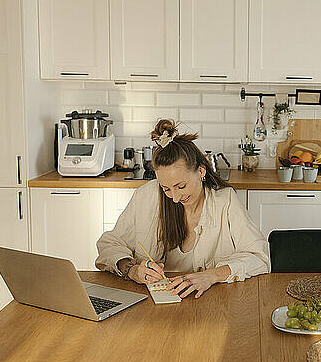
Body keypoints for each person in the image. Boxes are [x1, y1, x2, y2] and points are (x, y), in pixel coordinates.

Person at [96, 119, 270, 298]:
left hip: (212, 302)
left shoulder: (225, 201)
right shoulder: (146, 195)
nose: (175, 197)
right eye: (166, 189)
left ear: (201, 172)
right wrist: (132, 270)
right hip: (155, 303)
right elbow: (109, 245)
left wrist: (211, 276)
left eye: (181, 186)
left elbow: (260, 259)